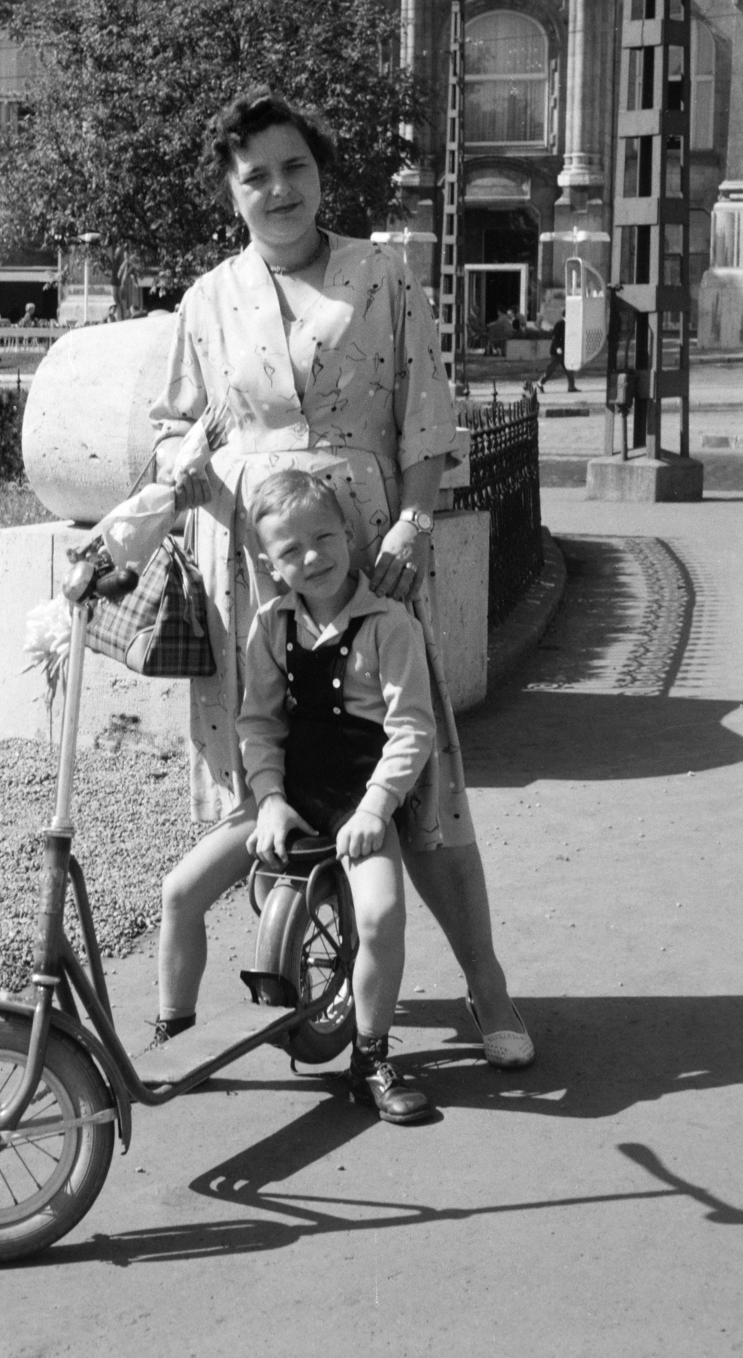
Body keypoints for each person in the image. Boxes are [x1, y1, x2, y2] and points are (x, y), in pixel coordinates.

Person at [150, 87, 533, 1066]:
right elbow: (169, 429)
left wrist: (411, 518)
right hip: (249, 562)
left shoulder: (380, 274)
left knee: (414, 775)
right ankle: (303, 977)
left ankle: (486, 985)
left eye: (293, 168)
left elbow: (421, 412)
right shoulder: (204, 301)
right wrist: (180, 464)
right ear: (230, 194)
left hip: (366, 554)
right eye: (255, 176)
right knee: (268, 762)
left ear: (319, 176)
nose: (277, 188)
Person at [161, 470, 439, 1122]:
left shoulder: (387, 625)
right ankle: (177, 1038)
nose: (310, 558)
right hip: (286, 796)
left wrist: (375, 809)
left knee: (377, 916)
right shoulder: (271, 624)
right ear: (268, 562)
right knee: (179, 891)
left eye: (322, 538)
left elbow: (411, 730)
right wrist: (269, 798)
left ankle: (369, 1055)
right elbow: (258, 724)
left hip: (356, 801)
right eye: (289, 551)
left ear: (348, 533)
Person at [538, 316, 578, 393]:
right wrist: (557, 347)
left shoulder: (570, 324)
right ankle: (540, 383)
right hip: (557, 352)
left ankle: (571, 386)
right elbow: (555, 336)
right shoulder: (560, 323)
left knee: (569, 369)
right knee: (550, 369)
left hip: (565, 351)